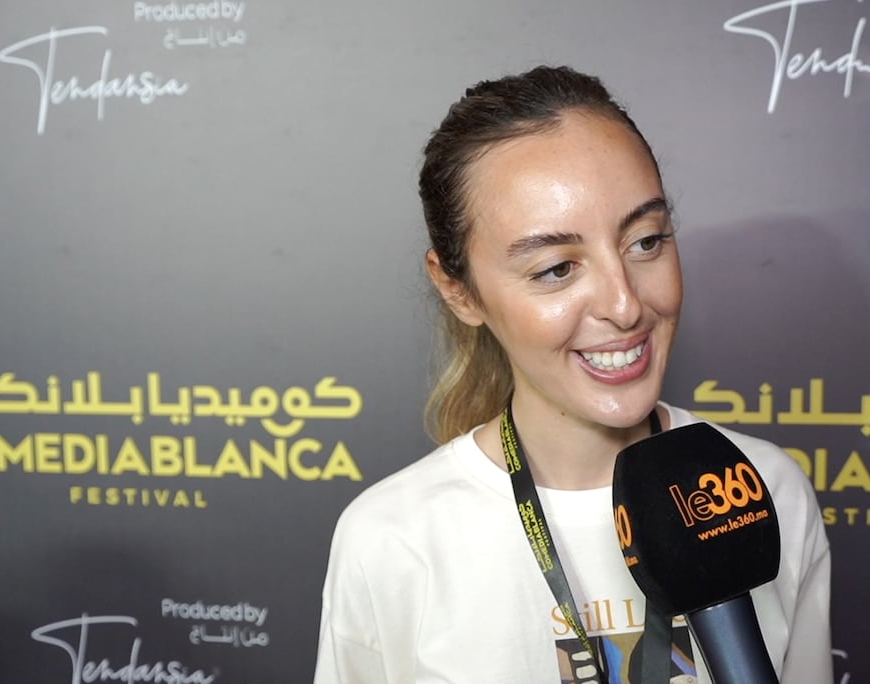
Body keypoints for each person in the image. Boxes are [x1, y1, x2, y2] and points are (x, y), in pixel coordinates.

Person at [313, 65, 832, 683]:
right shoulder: (391, 540)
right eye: (557, 269)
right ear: (459, 290)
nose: (624, 304)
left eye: (645, 241)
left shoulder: (763, 488)